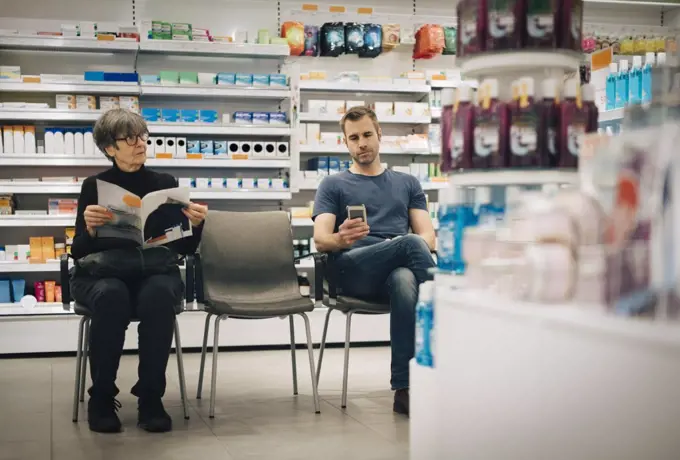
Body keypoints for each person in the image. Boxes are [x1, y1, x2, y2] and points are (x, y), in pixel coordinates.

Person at [70, 109, 208, 434]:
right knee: (111, 295)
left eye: (142, 135)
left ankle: (151, 397)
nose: (140, 143)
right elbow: (78, 251)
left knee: (159, 294)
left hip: (154, 271)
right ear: (109, 148)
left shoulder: (165, 185)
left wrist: (196, 227)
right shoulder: (94, 186)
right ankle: (102, 398)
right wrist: (90, 230)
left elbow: (184, 249)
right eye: (129, 138)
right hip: (106, 274)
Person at [312, 106, 436, 417]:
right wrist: (341, 238)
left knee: (405, 279)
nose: (362, 143)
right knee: (409, 244)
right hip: (351, 269)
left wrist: (400, 247)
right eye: (353, 138)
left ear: (379, 134)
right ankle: (447, 306)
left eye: (367, 134)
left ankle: (405, 390)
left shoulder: (408, 183)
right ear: (346, 143)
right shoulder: (333, 184)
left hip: (393, 272)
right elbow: (321, 239)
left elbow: (429, 238)